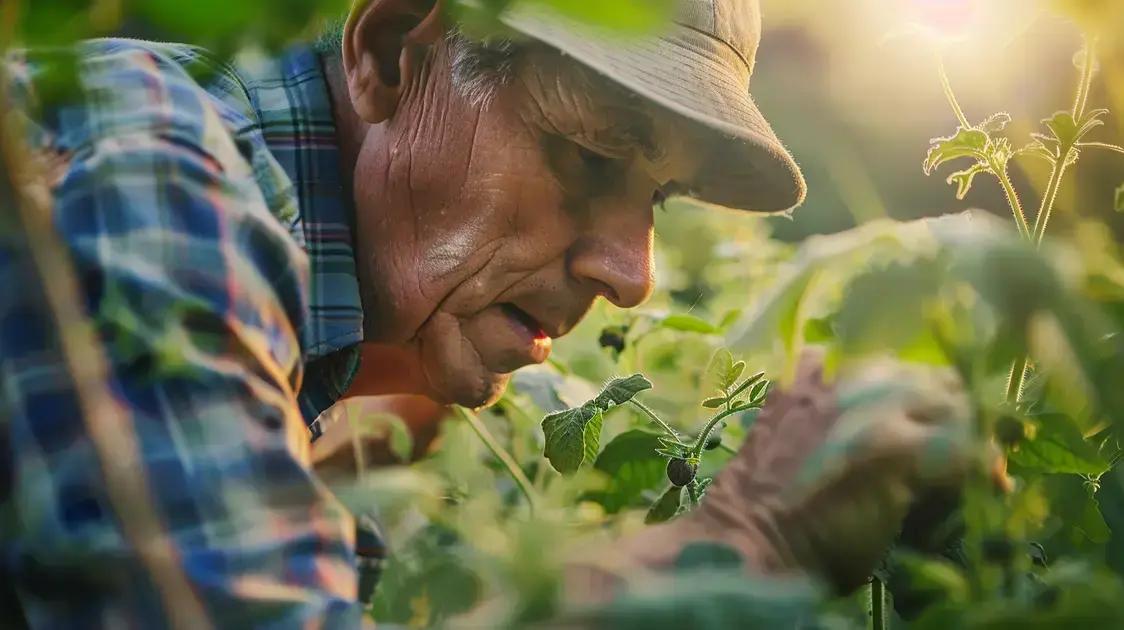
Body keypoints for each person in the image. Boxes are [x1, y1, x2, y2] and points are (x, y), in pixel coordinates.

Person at [0, 0, 978, 626]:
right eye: (591, 155)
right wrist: (755, 536)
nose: (631, 274)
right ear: (388, 48)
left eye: (657, 196)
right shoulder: (149, 173)